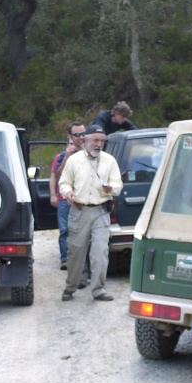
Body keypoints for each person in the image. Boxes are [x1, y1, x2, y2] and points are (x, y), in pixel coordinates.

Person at [58, 124, 123, 302]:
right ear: (86, 140)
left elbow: (118, 184)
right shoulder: (74, 160)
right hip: (79, 211)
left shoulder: (109, 161)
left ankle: (98, 289)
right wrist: (68, 193)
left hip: (101, 211)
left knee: (100, 252)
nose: (98, 144)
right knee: (75, 253)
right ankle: (71, 287)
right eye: (95, 140)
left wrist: (111, 188)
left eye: (102, 141)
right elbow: (64, 183)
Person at [50, 122, 86, 270]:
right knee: (64, 229)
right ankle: (65, 258)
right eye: (75, 137)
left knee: (82, 230)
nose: (79, 138)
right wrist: (53, 195)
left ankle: (82, 261)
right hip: (64, 198)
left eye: (82, 134)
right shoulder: (61, 157)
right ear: (69, 140)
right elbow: (56, 176)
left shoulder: (87, 154)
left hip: (82, 198)